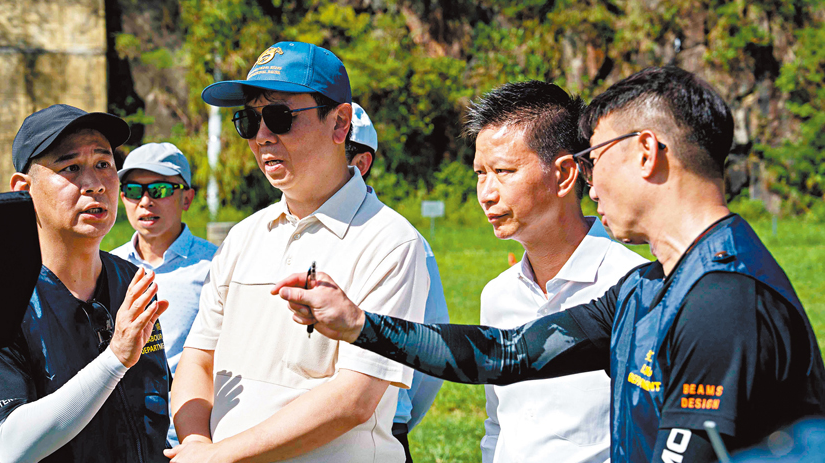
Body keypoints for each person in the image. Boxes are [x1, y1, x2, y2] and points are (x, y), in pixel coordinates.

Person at [273, 66, 825, 463]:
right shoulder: (649, 287)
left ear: (647, 153)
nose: (589, 176)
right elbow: (507, 354)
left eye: (594, 156)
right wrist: (359, 325)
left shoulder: (723, 297)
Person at [168, 42, 428, 463]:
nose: (262, 136)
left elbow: (355, 398)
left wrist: (220, 455)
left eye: (279, 116)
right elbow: (197, 361)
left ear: (340, 123)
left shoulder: (390, 242)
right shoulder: (243, 236)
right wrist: (197, 442)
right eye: (249, 120)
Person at [0, 104, 172, 462]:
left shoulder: (129, 281)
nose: (95, 185)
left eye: (104, 164)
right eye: (71, 168)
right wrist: (115, 358)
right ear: (23, 189)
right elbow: (10, 446)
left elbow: (153, 397)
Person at [462, 82, 646, 463]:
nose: (486, 193)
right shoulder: (497, 296)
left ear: (564, 174)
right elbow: (498, 424)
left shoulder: (635, 286)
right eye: (480, 173)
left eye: (503, 171)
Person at [347, 102, 451, 462]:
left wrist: (397, 418)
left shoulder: (401, 240)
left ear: (361, 164)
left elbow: (431, 352)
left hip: (379, 435)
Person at [111, 142, 218, 446]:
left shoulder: (215, 266)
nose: (145, 201)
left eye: (159, 190)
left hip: (192, 438)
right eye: (133, 190)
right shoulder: (107, 266)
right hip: (122, 436)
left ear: (187, 198)